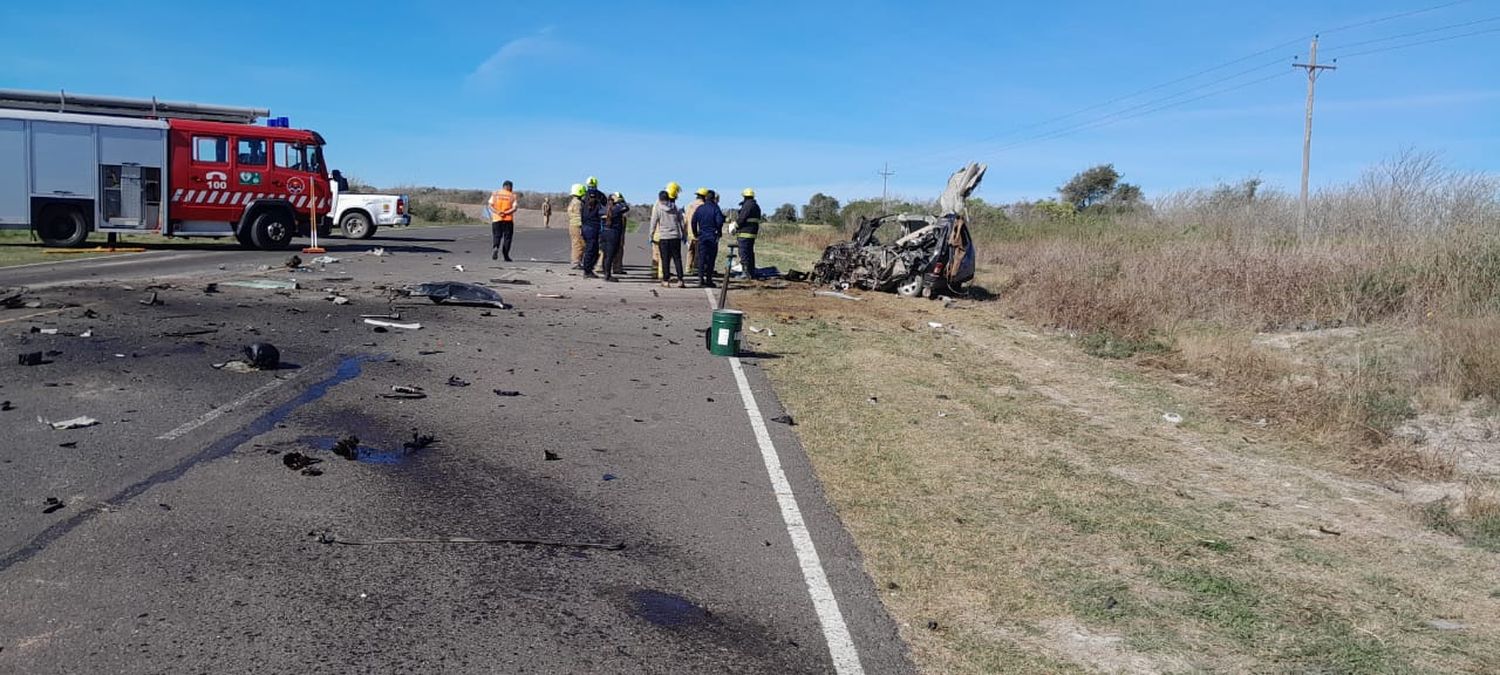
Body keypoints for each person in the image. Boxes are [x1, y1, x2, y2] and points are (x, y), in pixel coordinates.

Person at [650, 189, 686, 288]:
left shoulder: (658, 208)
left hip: (664, 237)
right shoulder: (675, 208)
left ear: (660, 199)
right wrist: (684, 234)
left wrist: (651, 235)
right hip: (675, 237)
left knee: (665, 259)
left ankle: (666, 280)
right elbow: (681, 222)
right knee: (677, 259)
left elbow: (653, 222)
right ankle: (680, 280)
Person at [692, 189, 726, 288]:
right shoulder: (716, 208)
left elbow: (693, 221)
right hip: (712, 236)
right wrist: (718, 231)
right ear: (714, 198)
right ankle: (709, 279)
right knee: (711, 259)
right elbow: (719, 221)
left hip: (702, 236)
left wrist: (696, 233)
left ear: (706, 197)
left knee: (702, 258)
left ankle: (701, 279)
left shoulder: (700, 209)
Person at [580, 178, 607, 278]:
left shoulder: (583, 196)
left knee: (590, 249)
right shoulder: (600, 196)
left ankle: (588, 269)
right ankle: (587, 271)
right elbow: (605, 210)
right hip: (593, 227)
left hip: (585, 226)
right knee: (592, 250)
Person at [601, 192, 629, 282]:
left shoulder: (603, 209)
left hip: (604, 233)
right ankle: (608, 275)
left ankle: (606, 272)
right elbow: (626, 207)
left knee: (606, 255)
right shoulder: (617, 209)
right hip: (613, 234)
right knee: (610, 255)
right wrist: (620, 200)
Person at [488, 180, 518, 261]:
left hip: (497, 218)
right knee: (507, 238)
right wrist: (505, 212)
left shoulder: (495, 194)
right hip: (507, 219)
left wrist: (497, 212)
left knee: (497, 235)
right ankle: (506, 255)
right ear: (509, 186)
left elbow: (490, 205)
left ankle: (496, 247)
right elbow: (514, 208)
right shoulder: (512, 195)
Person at [736, 188, 763, 279]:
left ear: (744, 196)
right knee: (750, 252)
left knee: (744, 253)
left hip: (745, 233)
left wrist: (735, 226)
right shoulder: (756, 206)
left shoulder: (747, 205)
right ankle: (751, 272)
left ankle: (745, 273)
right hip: (752, 233)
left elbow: (742, 218)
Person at [684, 187, 707, 275]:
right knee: (698, 252)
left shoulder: (690, 205)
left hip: (689, 232)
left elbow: (685, 219)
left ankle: (688, 268)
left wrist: (685, 231)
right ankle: (696, 269)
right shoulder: (703, 206)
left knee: (690, 251)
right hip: (698, 232)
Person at [567, 183, 585, 268]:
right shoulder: (578, 203)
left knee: (575, 243)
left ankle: (575, 261)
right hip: (578, 225)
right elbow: (580, 215)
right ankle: (576, 262)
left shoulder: (573, 202)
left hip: (572, 225)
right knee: (580, 244)